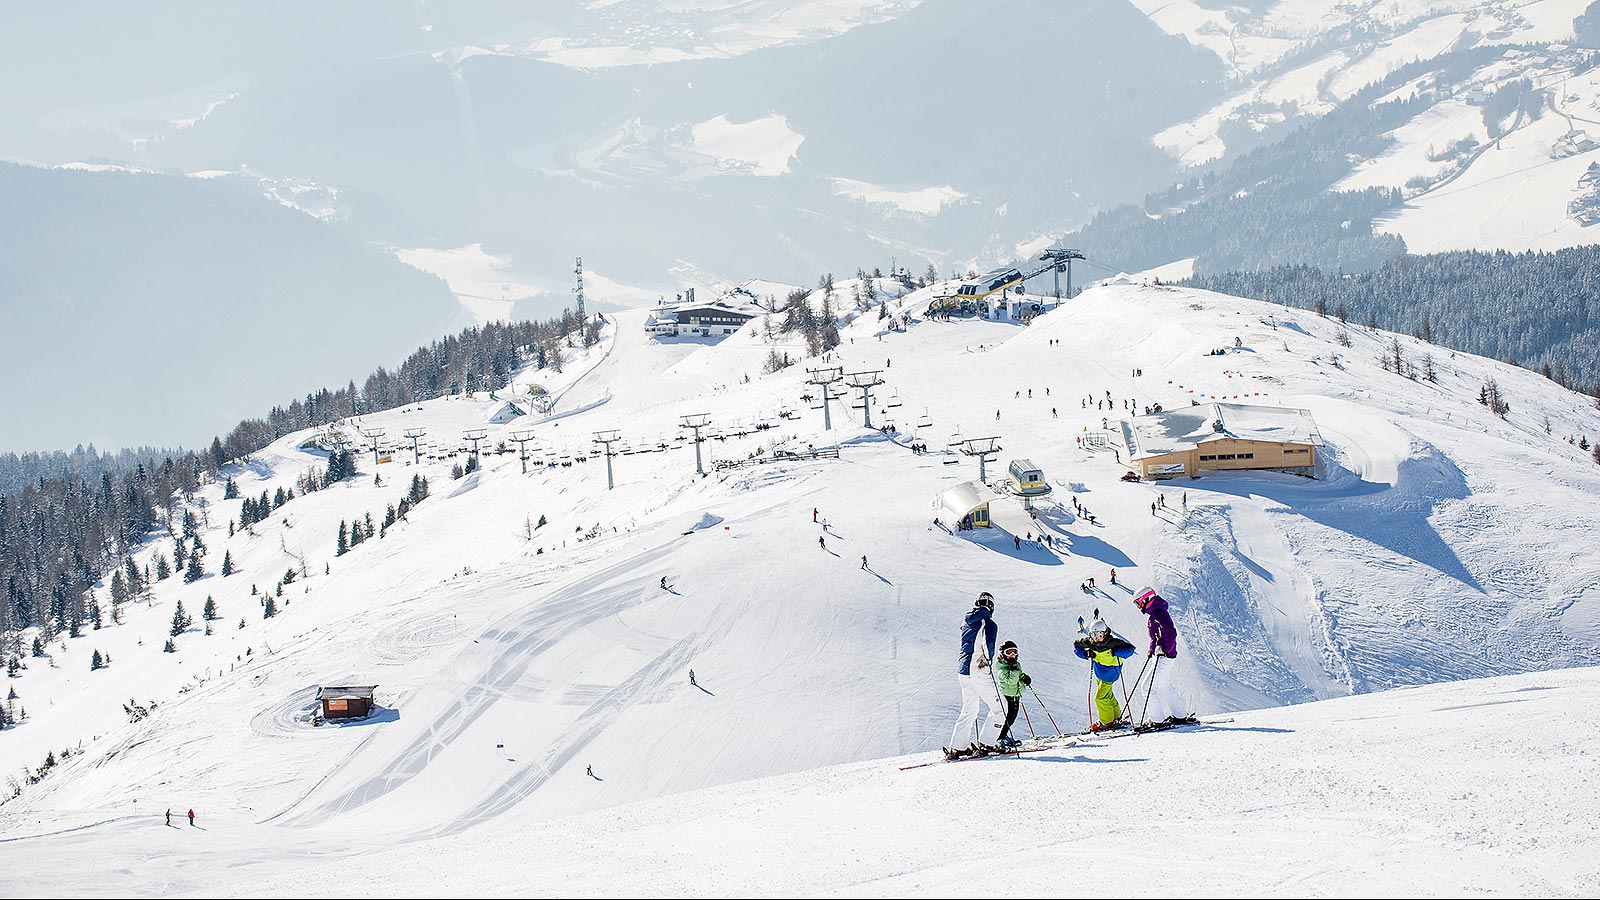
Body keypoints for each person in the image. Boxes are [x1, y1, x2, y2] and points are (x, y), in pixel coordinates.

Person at [946, 592, 1004, 760]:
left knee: (970, 709)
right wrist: (988, 662)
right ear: (991, 606)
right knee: (1001, 708)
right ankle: (988, 743)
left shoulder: (966, 622)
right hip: (978, 670)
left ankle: (958, 747)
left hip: (963, 671)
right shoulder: (988, 623)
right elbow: (988, 645)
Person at [1134, 589, 1194, 727]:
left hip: (1164, 656)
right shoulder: (1154, 613)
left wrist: (1165, 650)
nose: (1138, 607)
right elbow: (1155, 637)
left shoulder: (1157, 613)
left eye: (1138, 603)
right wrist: (1151, 649)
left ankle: (1156, 720)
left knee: (1146, 687)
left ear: (1145, 599)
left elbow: (1171, 633)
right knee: (1165, 686)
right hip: (1161, 655)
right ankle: (1180, 716)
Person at [1073, 619, 1136, 729]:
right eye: (1094, 635)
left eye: (1100, 634)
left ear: (1105, 633)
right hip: (1099, 671)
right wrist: (1086, 654)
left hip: (1111, 672)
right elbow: (1077, 645)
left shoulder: (1113, 643)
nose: (1097, 638)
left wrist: (1116, 652)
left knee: (1100, 698)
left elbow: (1130, 650)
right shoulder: (1090, 642)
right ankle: (1116, 716)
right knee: (1108, 695)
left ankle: (1106, 722)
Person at [994, 641, 1031, 746]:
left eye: (1014, 652)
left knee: (1012, 718)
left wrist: (1025, 678)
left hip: (1015, 695)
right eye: (1009, 652)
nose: (1012, 655)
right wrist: (1014, 669)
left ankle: (1003, 736)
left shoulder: (1016, 665)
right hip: (1007, 697)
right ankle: (1000, 737)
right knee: (1007, 718)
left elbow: (1018, 676)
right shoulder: (1001, 668)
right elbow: (1011, 681)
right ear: (1003, 654)